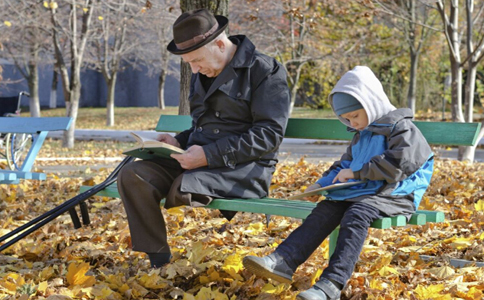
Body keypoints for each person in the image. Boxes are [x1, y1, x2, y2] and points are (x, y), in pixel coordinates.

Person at [117, 8, 290, 268]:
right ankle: (159, 259)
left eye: (196, 60)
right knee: (133, 175)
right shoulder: (204, 73)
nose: (194, 69)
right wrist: (178, 142)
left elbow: (269, 135)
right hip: (198, 160)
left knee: (183, 184)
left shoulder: (265, 70)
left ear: (220, 44)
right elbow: (202, 127)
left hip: (244, 168)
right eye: (189, 63)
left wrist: (208, 156)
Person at [243, 66, 434, 300]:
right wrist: (320, 184)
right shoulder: (362, 133)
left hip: (397, 194)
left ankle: (331, 284)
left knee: (356, 215)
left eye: (355, 116)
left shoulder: (401, 128)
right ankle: (283, 260)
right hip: (367, 192)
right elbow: (344, 165)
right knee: (326, 209)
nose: (352, 123)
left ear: (371, 104)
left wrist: (357, 173)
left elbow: (401, 163)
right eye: (346, 118)